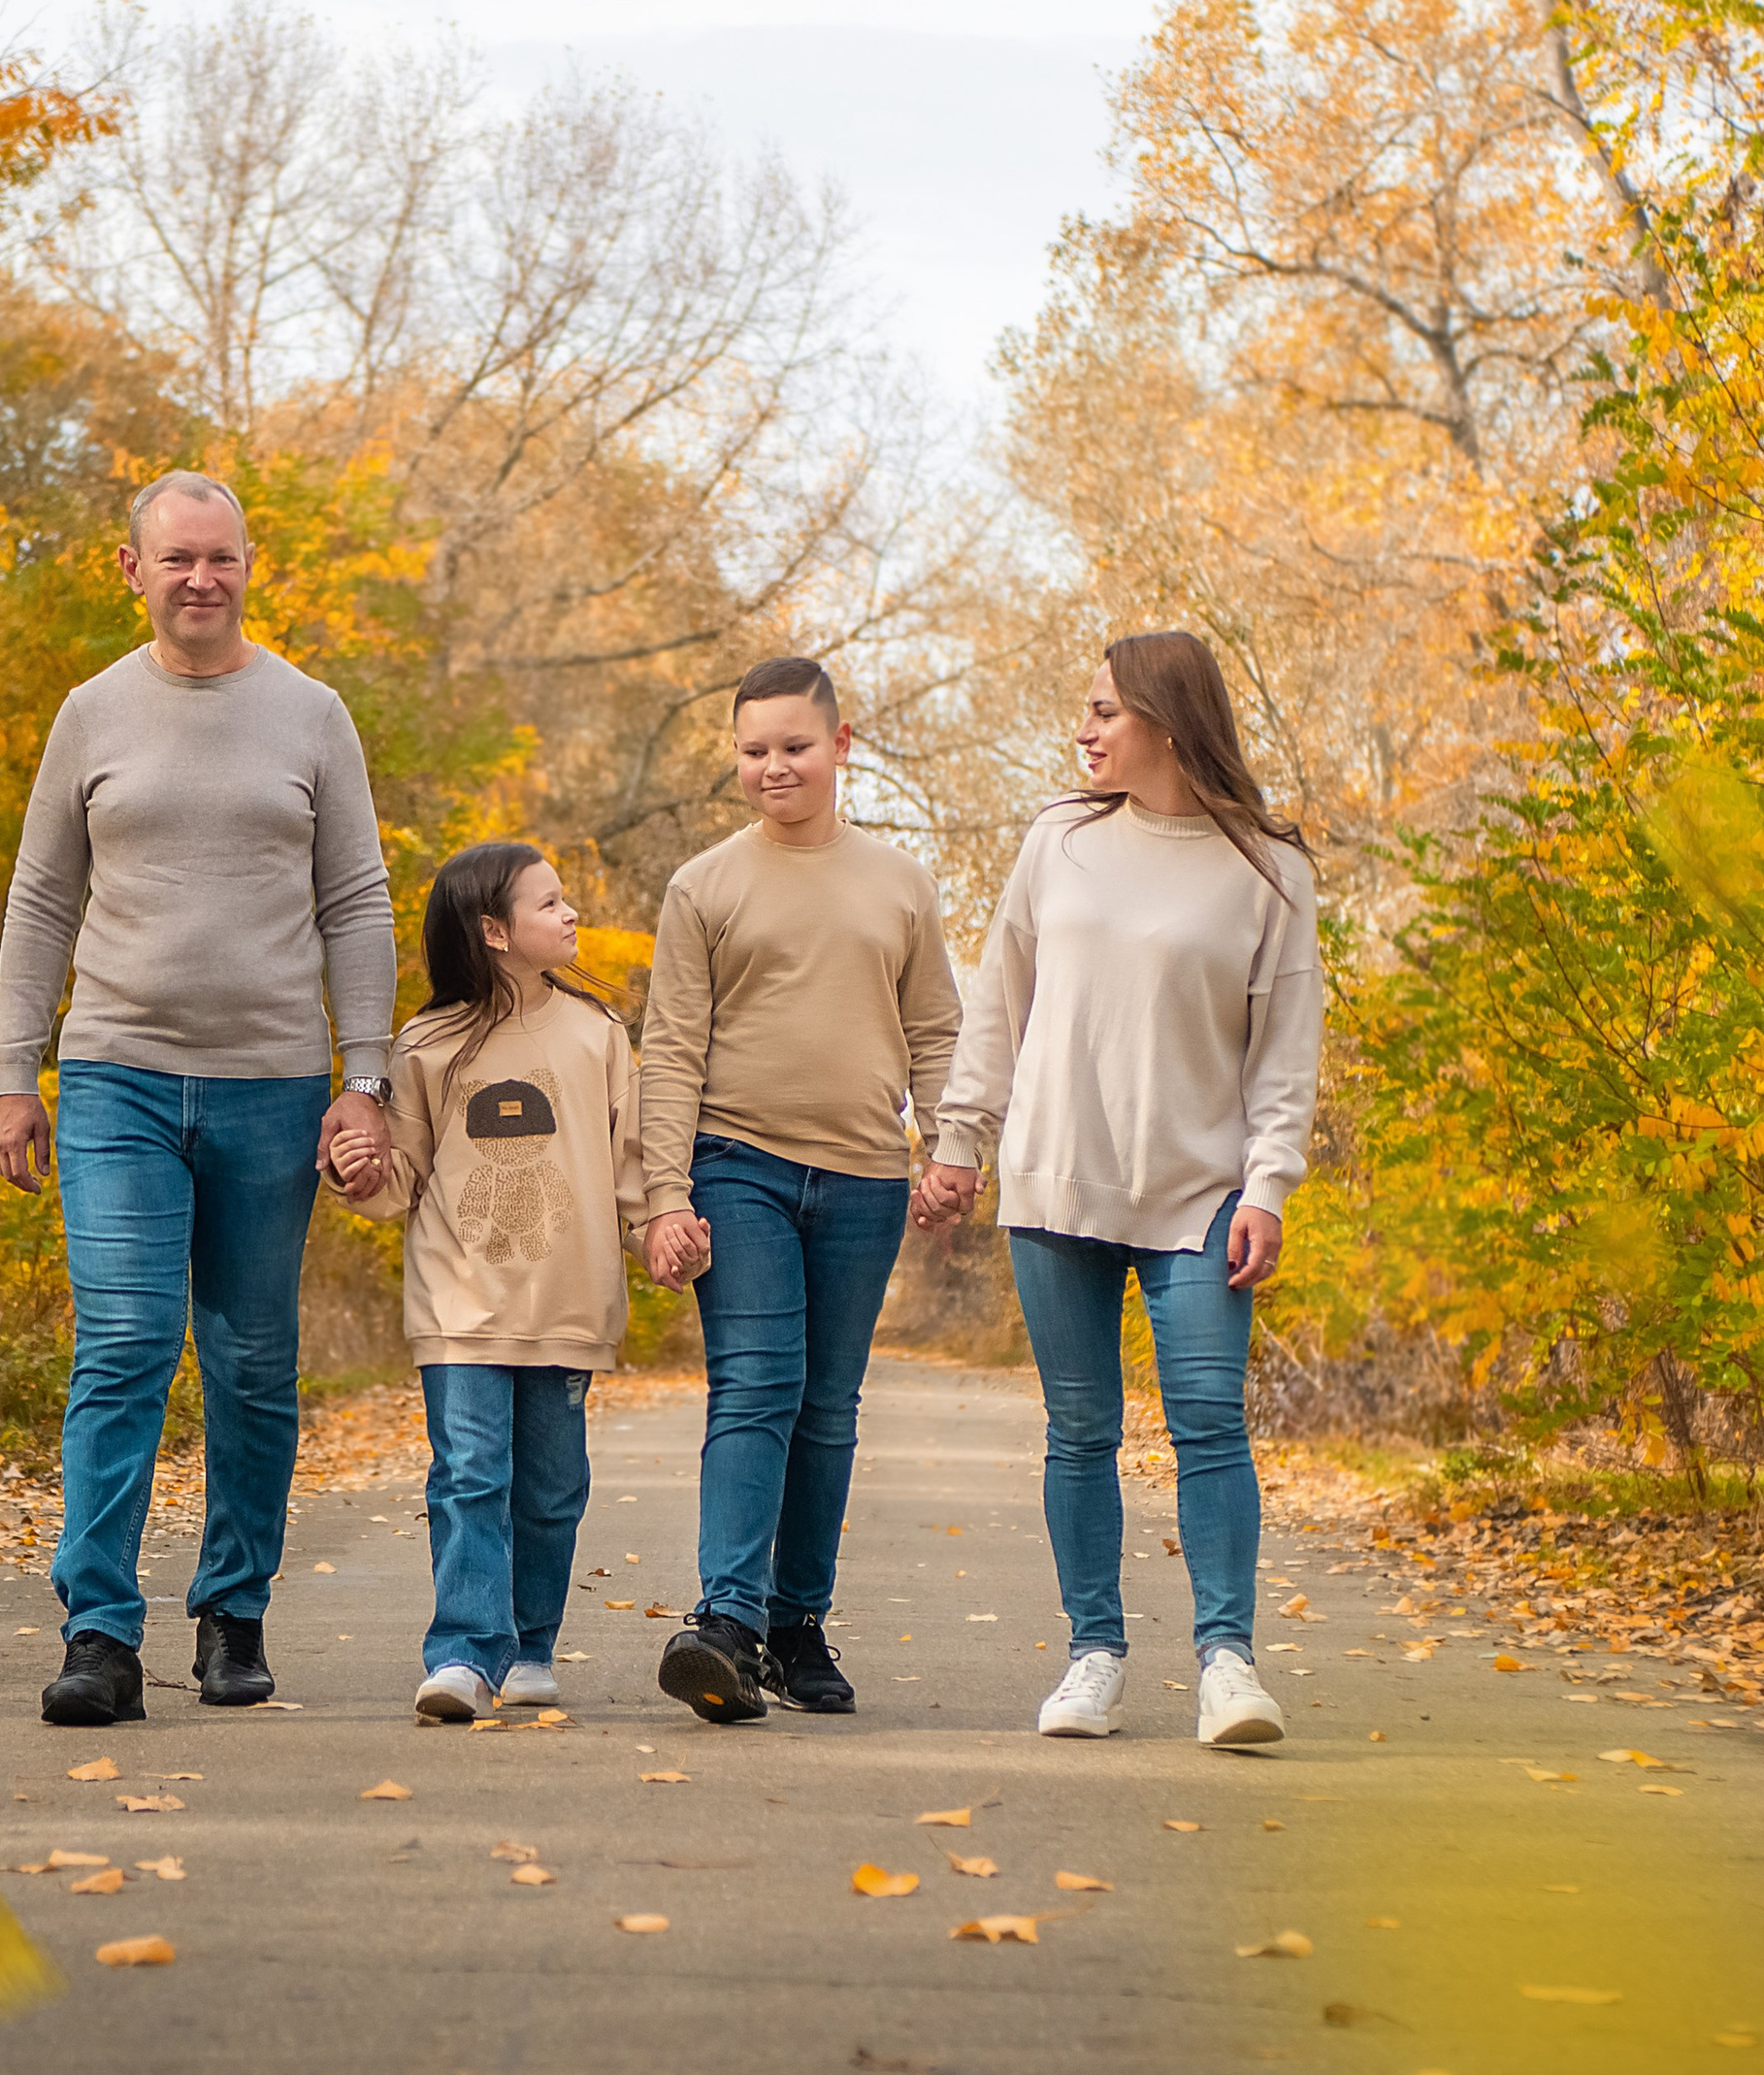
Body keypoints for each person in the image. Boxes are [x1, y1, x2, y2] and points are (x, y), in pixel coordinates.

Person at [0, 470, 397, 1728]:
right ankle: (100, 1632)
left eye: (220, 558)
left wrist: (366, 1079)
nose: (200, 579)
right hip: (115, 1077)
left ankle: (234, 1611)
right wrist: (16, 1074)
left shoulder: (312, 714)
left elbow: (357, 902)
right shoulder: (91, 714)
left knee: (253, 1361)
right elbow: (42, 901)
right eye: (176, 560)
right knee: (121, 1346)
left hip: (273, 1088)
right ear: (134, 569)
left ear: (249, 564)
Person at [915, 630, 1322, 1748]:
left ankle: (1227, 1665)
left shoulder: (1268, 866)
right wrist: (960, 1139)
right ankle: (1093, 1654)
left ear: (1166, 719)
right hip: (1053, 1181)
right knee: (1079, 1429)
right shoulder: (1059, 840)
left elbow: (1285, 1052)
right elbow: (996, 1003)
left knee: (1206, 1423)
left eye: (1102, 711)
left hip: (1200, 1191)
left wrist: (1269, 1185)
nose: (1081, 731)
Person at [640, 656, 963, 1722]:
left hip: (866, 1176)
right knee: (755, 1382)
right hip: (738, 1165)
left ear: (841, 744)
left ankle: (795, 1625)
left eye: (794, 746)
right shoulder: (706, 886)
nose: (773, 766)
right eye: (752, 751)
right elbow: (672, 1046)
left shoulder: (899, 882)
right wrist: (661, 1193)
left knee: (827, 1408)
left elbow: (934, 1032)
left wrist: (950, 1146)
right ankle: (725, 1619)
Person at [326, 843, 675, 1722]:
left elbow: (630, 1163)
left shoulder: (599, 1035)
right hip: (459, 1303)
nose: (570, 916)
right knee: (470, 1474)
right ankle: (462, 1655)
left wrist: (658, 1236)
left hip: (567, 1299)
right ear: (493, 931)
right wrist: (357, 1172)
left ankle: (529, 1644)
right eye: (549, 904)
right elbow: (401, 1176)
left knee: (552, 1489)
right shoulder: (426, 1043)